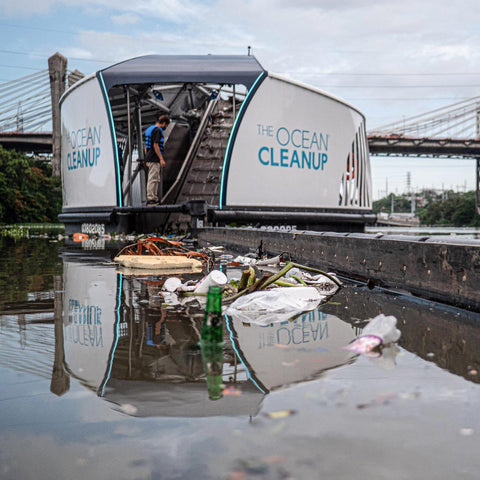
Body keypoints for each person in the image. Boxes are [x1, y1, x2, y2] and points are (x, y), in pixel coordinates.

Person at [144, 114, 170, 205]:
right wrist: (161, 158)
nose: (165, 127)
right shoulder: (157, 131)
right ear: (163, 123)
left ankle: (153, 197)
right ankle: (151, 197)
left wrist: (146, 157)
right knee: (153, 179)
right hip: (154, 158)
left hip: (149, 157)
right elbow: (156, 145)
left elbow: (146, 146)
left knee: (154, 178)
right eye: (166, 125)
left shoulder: (149, 129)